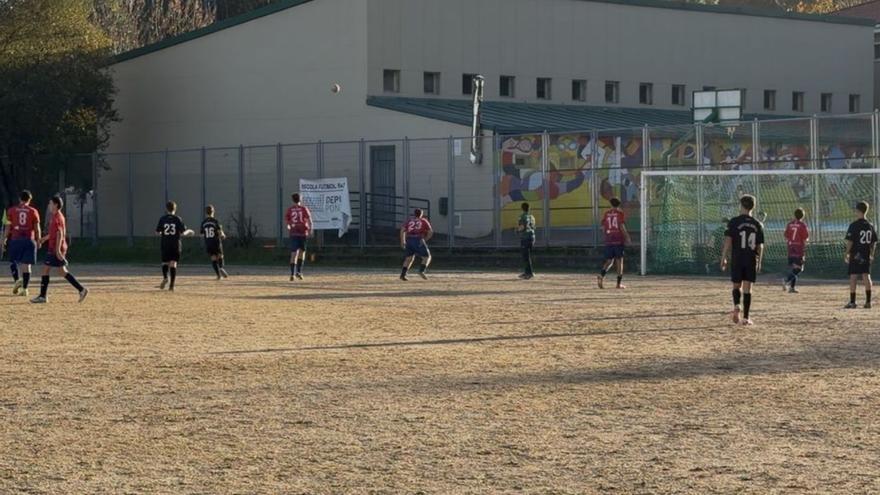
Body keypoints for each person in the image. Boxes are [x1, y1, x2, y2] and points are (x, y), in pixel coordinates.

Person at [30, 196, 88, 304]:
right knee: (62, 271)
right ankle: (82, 289)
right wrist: (43, 239)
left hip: (55, 248)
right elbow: (53, 233)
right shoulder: (55, 216)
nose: (49, 205)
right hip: (56, 247)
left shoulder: (57, 217)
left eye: (51, 203)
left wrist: (57, 251)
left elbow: (59, 233)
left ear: (56, 205)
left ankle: (43, 296)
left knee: (45, 270)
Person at [720, 194, 765, 326]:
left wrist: (724, 257)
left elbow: (728, 240)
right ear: (753, 207)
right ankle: (745, 317)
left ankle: (736, 305)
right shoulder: (757, 224)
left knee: (736, 285)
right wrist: (760, 261)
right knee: (747, 288)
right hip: (750, 258)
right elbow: (760, 245)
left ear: (741, 206)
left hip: (737, 258)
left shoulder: (733, 222)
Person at [5, 190, 41, 297]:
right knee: (27, 265)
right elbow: (37, 228)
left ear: (20, 199)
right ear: (29, 200)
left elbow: (7, 228)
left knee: (13, 261)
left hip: (16, 239)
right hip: (29, 240)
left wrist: (4, 240)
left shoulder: (11, 211)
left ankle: (17, 280)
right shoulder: (33, 211)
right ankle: (25, 289)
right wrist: (38, 240)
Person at [844, 201, 877, 309]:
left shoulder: (854, 225)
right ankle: (868, 302)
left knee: (853, 276)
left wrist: (846, 253)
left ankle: (853, 302)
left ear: (858, 211)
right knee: (866, 276)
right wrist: (872, 254)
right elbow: (873, 242)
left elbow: (850, 241)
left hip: (856, 254)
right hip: (866, 254)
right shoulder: (870, 225)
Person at [155, 201, 194, 291]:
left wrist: (163, 233)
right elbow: (183, 233)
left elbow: (157, 232)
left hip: (165, 243)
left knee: (165, 262)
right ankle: (172, 285)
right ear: (175, 209)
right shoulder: (178, 219)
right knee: (173, 263)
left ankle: (165, 277)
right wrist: (190, 231)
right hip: (175, 244)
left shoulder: (162, 219)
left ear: (166, 209)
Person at [597, 197, 631, 289]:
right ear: (619, 204)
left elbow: (603, 227)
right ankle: (618, 284)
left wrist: (607, 234)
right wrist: (627, 237)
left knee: (609, 261)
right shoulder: (620, 213)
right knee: (619, 261)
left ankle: (601, 275)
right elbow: (621, 226)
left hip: (609, 239)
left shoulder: (606, 213)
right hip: (618, 239)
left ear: (611, 204)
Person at [285, 193, 312, 281]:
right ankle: (299, 272)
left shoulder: (290, 209)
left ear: (293, 200)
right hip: (303, 232)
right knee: (302, 252)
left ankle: (292, 274)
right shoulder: (304, 209)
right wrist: (310, 229)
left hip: (294, 232)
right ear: (300, 199)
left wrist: (289, 226)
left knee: (293, 253)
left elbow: (287, 221)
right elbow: (309, 220)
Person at [400, 208, 433, 281]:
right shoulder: (423, 220)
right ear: (421, 214)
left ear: (414, 214)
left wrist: (403, 241)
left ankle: (403, 274)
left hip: (409, 239)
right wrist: (425, 239)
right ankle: (421, 271)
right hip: (418, 239)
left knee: (409, 258)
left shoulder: (409, 221)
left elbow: (402, 230)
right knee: (427, 257)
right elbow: (430, 232)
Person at [782, 208, 810, 294]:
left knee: (794, 268)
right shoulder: (802, 225)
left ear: (794, 215)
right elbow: (806, 238)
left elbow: (786, 235)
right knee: (799, 268)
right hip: (798, 248)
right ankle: (786, 280)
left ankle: (792, 287)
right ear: (803, 216)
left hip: (790, 248)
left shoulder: (789, 224)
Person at [200, 205, 229, 280]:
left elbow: (202, 233)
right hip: (216, 241)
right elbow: (219, 231)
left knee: (213, 258)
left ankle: (218, 275)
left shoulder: (203, 222)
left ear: (206, 213)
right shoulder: (215, 221)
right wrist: (223, 235)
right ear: (213, 211)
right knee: (220, 256)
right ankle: (221, 267)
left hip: (208, 242)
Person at [517, 202, 536, 279]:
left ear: (522, 208)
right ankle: (529, 272)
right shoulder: (532, 217)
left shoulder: (522, 216)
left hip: (525, 237)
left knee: (525, 256)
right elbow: (534, 227)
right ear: (529, 208)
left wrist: (517, 230)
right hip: (532, 237)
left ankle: (528, 273)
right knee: (528, 256)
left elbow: (522, 227)